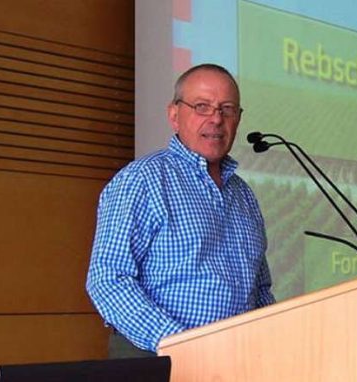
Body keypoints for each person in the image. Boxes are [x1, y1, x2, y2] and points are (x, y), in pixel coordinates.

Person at [86, 63, 276, 358]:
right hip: (155, 362)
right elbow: (108, 279)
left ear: (238, 119)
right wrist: (181, 345)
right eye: (202, 107)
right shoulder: (142, 181)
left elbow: (260, 289)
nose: (216, 119)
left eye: (227, 109)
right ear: (174, 115)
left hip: (239, 367)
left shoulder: (244, 195)